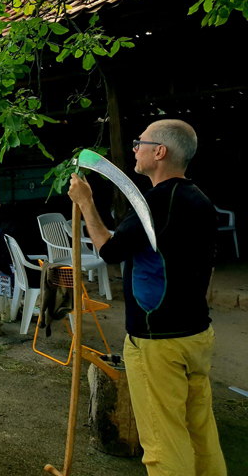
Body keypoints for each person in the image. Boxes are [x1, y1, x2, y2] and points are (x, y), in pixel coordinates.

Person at [68, 119, 226, 476]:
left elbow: (109, 251)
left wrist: (86, 202)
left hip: (159, 342)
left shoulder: (156, 203)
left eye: (141, 142)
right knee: (199, 431)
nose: (134, 148)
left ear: (160, 152)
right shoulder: (198, 198)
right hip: (196, 333)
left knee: (162, 440)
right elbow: (210, 268)